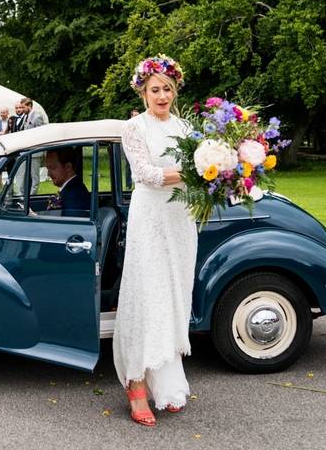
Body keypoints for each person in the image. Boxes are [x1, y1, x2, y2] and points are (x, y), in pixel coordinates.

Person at [113, 55, 195, 427]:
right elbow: (144, 174)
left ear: (175, 91)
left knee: (174, 296)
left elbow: (200, 171)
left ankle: (167, 382)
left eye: (167, 89)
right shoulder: (133, 128)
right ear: (143, 92)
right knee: (148, 296)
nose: (162, 95)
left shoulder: (186, 126)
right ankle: (136, 385)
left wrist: (211, 170)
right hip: (150, 218)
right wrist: (195, 172)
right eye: (155, 89)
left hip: (181, 219)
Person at [43, 147, 89, 218]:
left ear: (68, 167)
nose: (49, 174)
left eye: (53, 168)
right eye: (48, 168)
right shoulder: (72, 189)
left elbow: (72, 227)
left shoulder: (75, 197)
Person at [22, 97, 47, 193]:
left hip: (35, 153)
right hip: (28, 151)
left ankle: (33, 196)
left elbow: (41, 134)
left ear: (29, 106)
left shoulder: (37, 117)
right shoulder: (26, 117)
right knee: (28, 176)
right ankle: (27, 195)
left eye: (23, 107)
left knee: (35, 177)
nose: (22, 110)